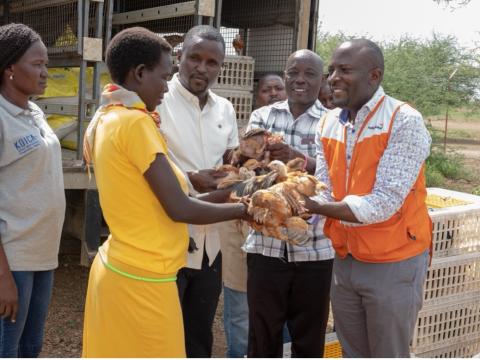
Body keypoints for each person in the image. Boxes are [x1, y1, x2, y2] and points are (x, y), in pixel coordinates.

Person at [81, 27, 248, 358]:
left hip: (124, 267)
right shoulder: (136, 123)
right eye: (164, 76)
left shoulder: (109, 116)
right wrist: (246, 208)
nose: (167, 85)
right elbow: (180, 208)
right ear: (140, 73)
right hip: (145, 277)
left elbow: (176, 199)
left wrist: (239, 192)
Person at [307, 39, 432, 357]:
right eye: (332, 69)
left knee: (388, 352)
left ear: (374, 76)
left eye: (344, 70)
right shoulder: (328, 122)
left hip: (393, 259)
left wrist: (315, 206)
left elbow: (384, 202)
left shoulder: (403, 120)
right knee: (353, 352)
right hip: (346, 258)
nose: (332, 77)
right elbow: (323, 185)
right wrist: (297, 197)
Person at [243, 49, 335, 358]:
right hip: (265, 247)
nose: (300, 80)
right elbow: (250, 168)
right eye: (294, 72)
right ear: (285, 75)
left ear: (321, 80)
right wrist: (268, 162)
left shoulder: (332, 122)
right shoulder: (263, 116)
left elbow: (332, 179)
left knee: (308, 341)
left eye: (310, 74)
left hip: (315, 250)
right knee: (261, 336)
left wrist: (295, 158)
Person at [157, 25, 240, 358]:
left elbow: (231, 163)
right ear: (180, 57)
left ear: (221, 66)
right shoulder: (157, 102)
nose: (202, 69)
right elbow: (145, 164)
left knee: (198, 336)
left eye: (212, 62)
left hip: (211, 246)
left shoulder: (225, 109)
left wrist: (239, 171)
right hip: (169, 240)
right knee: (163, 336)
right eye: (194, 58)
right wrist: (190, 178)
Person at [0, 23, 66, 358]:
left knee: (30, 347)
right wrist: (2, 278)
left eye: (46, 65)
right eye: (37, 65)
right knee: (6, 349)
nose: (45, 73)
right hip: (13, 259)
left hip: (43, 256)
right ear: (10, 67)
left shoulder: (34, 111)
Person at [221, 72, 289, 358]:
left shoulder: (310, 122)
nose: (273, 93)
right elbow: (235, 169)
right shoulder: (253, 126)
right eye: (266, 90)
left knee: (280, 307)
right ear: (256, 96)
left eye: (278, 88)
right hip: (242, 223)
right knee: (239, 304)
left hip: (278, 233)